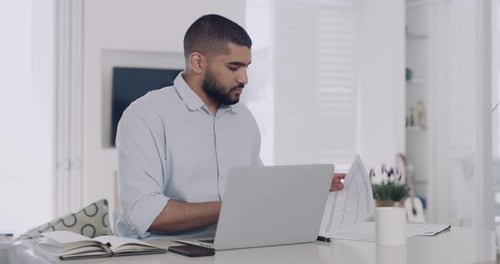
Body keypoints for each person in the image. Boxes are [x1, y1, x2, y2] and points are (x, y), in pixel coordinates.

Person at [115, 14, 344, 239]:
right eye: (234, 67)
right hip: (162, 251)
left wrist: (306, 189)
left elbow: (257, 192)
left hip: (234, 243)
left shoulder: (243, 119)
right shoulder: (145, 116)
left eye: (247, 67)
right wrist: (236, 207)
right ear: (198, 63)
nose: (244, 79)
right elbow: (146, 213)